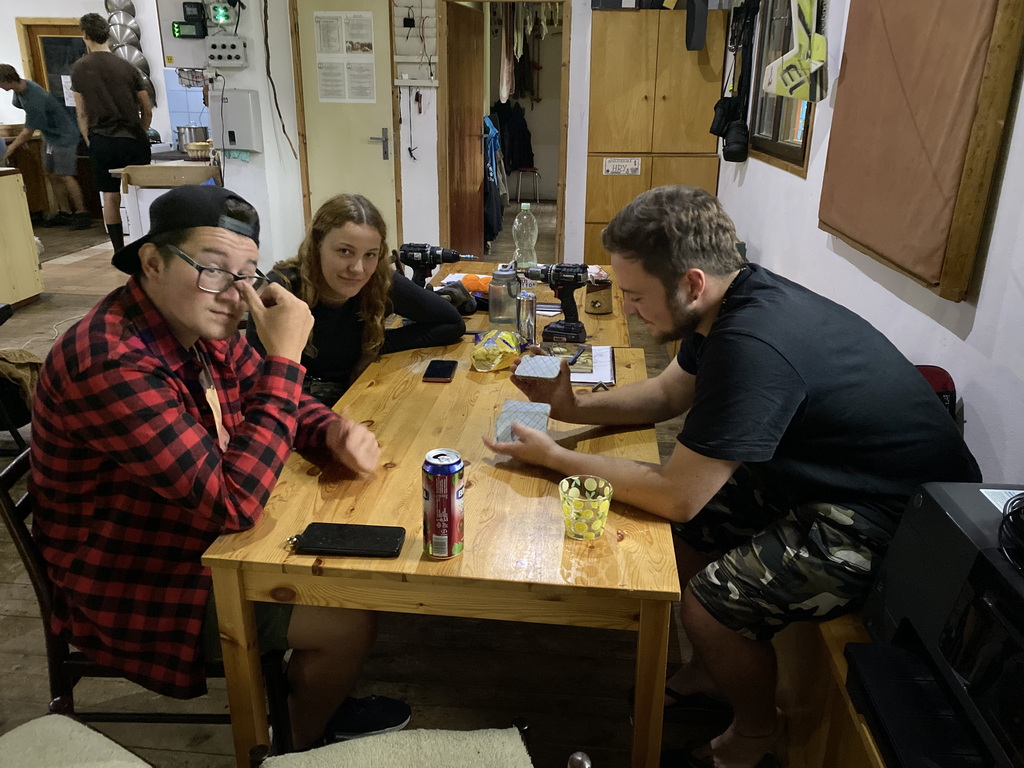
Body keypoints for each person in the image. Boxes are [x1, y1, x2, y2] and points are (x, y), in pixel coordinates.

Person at [484, 185, 982, 768]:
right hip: (830, 474)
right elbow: (668, 394)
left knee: (709, 606)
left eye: (636, 296)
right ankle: (709, 670)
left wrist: (556, 457)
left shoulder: (753, 345)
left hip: (900, 519)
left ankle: (755, 732)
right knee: (679, 541)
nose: (629, 310)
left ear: (692, 283)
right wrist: (572, 408)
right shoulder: (730, 300)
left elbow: (677, 494)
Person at [30, 185, 411, 750]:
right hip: (138, 578)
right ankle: (298, 748)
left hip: (195, 536)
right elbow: (234, 503)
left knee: (354, 562)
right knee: (347, 616)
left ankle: (312, 696)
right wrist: (286, 357)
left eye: (247, 273)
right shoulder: (111, 360)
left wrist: (331, 430)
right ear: (151, 261)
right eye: (212, 269)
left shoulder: (198, 322)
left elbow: (265, 392)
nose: (234, 292)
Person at [248, 193, 466, 407]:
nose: (358, 269)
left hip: (357, 398)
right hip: (297, 408)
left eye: (370, 254)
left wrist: (374, 347)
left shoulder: (378, 280)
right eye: (345, 251)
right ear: (317, 244)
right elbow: (259, 387)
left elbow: (451, 323)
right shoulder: (281, 292)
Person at [71, 12, 152, 253]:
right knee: (142, 195)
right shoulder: (127, 66)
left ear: (85, 35)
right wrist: (141, 132)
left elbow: (82, 112)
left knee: (110, 196)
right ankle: (149, 245)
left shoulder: (79, 68)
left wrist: (90, 139)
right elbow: (146, 107)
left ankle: (119, 251)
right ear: (108, 34)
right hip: (133, 139)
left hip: (103, 139)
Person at [0, 64, 89, 229]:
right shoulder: (19, 92)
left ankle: (82, 213)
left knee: (65, 175)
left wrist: (11, 148)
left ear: (7, 80)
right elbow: (28, 117)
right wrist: (22, 138)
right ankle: (65, 212)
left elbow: (28, 131)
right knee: (51, 173)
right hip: (49, 135)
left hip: (64, 136)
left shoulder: (35, 96)